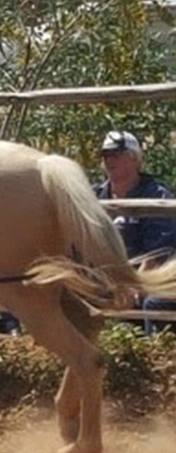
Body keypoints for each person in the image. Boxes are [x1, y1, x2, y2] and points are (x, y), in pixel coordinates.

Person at [92, 130, 176, 332]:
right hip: (107, 279)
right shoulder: (94, 195)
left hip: (150, 277)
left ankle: (153, 356)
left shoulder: (156, 195)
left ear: (134, 159)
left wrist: (135, 287)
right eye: (105, 156)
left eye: (116, 155)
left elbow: (157, 253)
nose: (109, 160)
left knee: (153, 304)